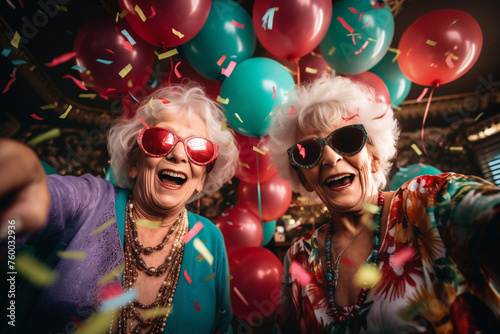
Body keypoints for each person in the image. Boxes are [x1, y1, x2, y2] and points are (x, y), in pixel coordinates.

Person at [268, 76, 500, 333]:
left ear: (375, 158)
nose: (331, 158)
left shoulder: (431, 201)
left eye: (346, 140)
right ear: (304, 178)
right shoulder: (298, 257)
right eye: (308, 152)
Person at [0, 83, 238, 334]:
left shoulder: (210, 238)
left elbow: (221, 327)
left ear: (201, 179)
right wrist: (21, 168)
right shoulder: (89, 201)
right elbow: (44, 190)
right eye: (159, 140)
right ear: (133, 163)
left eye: (198, 149)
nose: (178, 155)